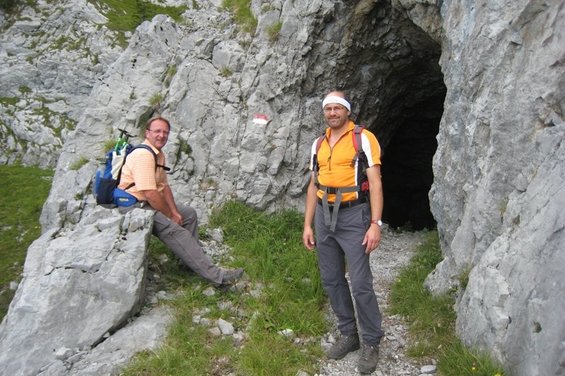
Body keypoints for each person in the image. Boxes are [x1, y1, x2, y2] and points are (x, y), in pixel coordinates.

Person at [302, 91, 384, 374]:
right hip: (325, 216)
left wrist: (375, 223)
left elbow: (374, 181)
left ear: (347, 111)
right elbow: (314, 185)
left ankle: (371, 341)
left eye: (338, 108)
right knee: (332, 279)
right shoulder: (318, 144)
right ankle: (349, 334)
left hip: (354, 215)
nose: (333, 113)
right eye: (328, 109)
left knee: (360, 282)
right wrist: (308, 224)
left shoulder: (362, 138)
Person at [118, 116, 244, 286]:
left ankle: (188, 263)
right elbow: (150, 193)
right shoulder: (143, 155)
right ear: (147, 133)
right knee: (176, 230)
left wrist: (175, 212)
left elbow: (164, 187)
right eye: (157, 131)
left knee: (188, 214)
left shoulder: (158, 154)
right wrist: (170, 216)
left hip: (145, 202)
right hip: (132, 205)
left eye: (165, 132)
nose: (162, 135)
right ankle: (218, 278)